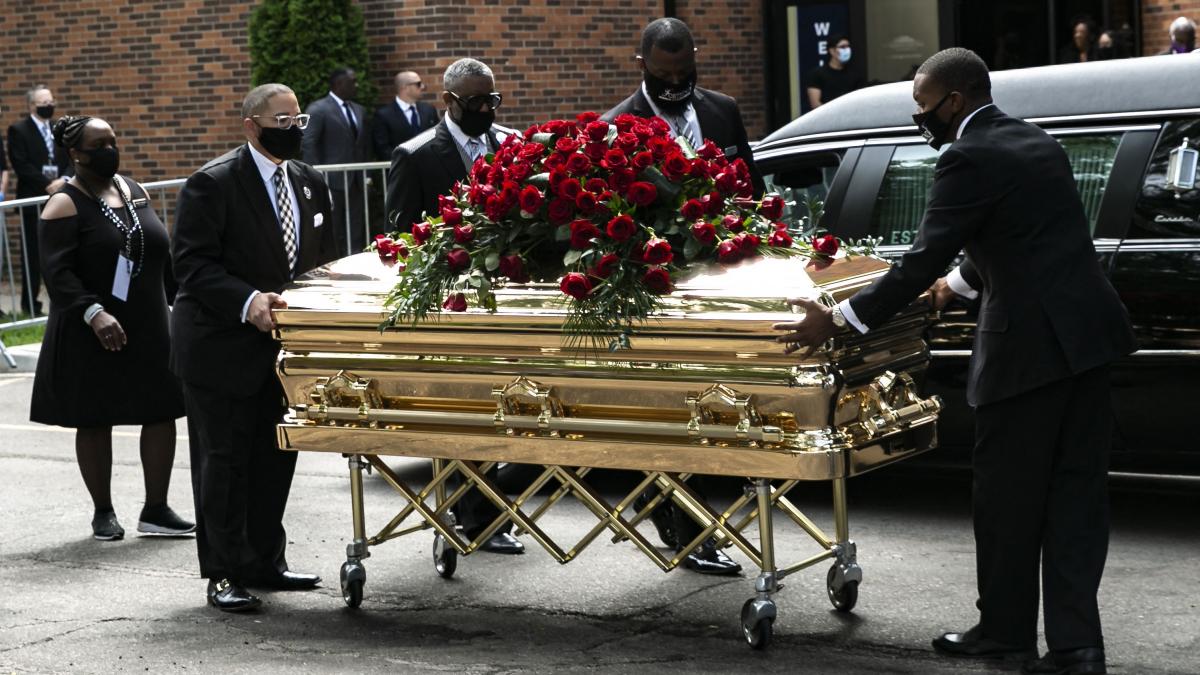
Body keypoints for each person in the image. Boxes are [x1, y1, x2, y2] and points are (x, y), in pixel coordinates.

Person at [774, 48, 1132, 675]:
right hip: (1089, 341)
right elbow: (1023, 232)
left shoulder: (965, 156)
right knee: (1077, 501)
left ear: (955, 100)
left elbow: (922, 258)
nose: (921, 119)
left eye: (924, 106)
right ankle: (1078, 647)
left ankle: (1006, 633)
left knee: (1007, 501)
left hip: (1028, 354)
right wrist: (960, 285)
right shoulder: (1036, 141)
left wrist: (840, 318)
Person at [603, 17, 764, 576]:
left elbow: (751, 187)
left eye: (685, 72)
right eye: (664, 74)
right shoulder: (617, 126)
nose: (676, 83)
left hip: (725, 287)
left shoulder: (723, 109)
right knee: (674, 412)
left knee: (720, 408)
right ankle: (685, 528)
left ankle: (708, 515)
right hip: (660, 293)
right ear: (641, 64)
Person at [172, 83, 338, 612]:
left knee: (275, 457)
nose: (293, 130)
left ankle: (265, 561)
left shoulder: (309, 181)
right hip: (220, 346)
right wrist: (248, 302)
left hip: (283, 351)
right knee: (224, 462)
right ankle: (223, 571)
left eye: (298, 120)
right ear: (252, 125)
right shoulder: (212, 183)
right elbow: (192, 266)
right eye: (281, 121)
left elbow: (321, 260)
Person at [385, 58, 527, 556]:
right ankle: (475, 517)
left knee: (506, 409)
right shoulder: (416, 155)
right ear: (448, 101)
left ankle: (492, 510)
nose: (486, 109)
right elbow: (401, 238)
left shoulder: (510, 145)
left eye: (493, 99)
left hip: (507, 303)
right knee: (464, 414)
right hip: (452, 306)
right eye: (475, 101)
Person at [30, 115, 194, 541]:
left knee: (161, 410)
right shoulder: (63, 204)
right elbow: (57, 274)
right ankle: (103, 511)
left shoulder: (134, 191)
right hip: (92, 326)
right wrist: (93, 312)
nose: (109, 151)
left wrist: (181, 299)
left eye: (112, 142)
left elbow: (159, 254)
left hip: (147, 320)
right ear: (75, 154)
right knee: (95, 416)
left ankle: (156, 509)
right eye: (98, 145)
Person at [7, 85, 71, 316]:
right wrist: (47, 184)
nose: (49, 106)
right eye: (44, 103)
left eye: (51, 102)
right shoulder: (19, 130)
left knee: (62, 253)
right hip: (33, 200)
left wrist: (63, 180)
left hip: (59, 199)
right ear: (32, 106)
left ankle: (62, 301)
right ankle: (31, 305)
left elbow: (70, 159)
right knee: (32, 255)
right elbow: (21, 164)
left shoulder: (58, 128)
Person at [302, 67, 371, 255]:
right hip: (331, 180)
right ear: (339, 84)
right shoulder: (318, 109)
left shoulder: (359, 110)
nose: (356, 85)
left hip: (357, 180)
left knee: (357, 226)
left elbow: (364, 145)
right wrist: (316, 177)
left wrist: (367, 175)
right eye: (352, 82)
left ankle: (356, 259)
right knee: (333, 227)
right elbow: (309, 144)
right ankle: (334, 262)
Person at [372, 71, 438, 160]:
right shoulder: (384, 115)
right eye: (418, 84)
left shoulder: (429, 110)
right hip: (400, 166)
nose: (422, 87)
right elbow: (382, 148)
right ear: (405, 87)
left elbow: (438, 138)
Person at [806, 34, 864, 109]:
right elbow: (815, 104)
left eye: (848, 46)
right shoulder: (817, 74)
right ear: (832, 51)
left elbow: (859, 101)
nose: (847, 50)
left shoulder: (855, 74)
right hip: (826, 115)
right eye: (842, 47)